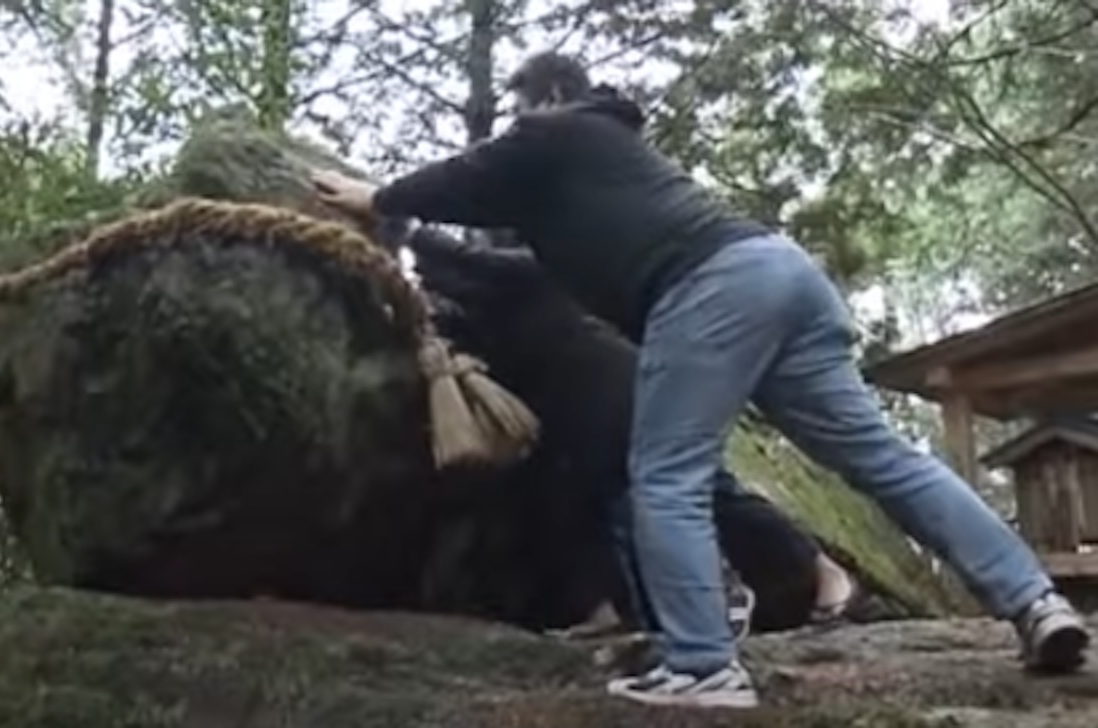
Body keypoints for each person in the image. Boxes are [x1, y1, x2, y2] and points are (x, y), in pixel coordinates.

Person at [312, 51, 1091, 709]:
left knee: (664, 474)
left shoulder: (559, 130)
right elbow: (486, 231)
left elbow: (476, 172)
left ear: (547, 98)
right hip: (783, 278)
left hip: (710, 287)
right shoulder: (599, 176)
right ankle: (1034, 601)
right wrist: (411, 236)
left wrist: (380, 198)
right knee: (884, 460)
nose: (517, 121)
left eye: (521, 108)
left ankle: (702, 665)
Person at [392, 220, 860, 641]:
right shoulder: (482, 310)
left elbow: (458, 258)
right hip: (573, 408)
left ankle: (825, 575)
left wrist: (400, 219)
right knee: (574, 504)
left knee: (696, 491)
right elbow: (448, 306)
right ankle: (608, 611)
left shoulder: (536, 267)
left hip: (616, 385)